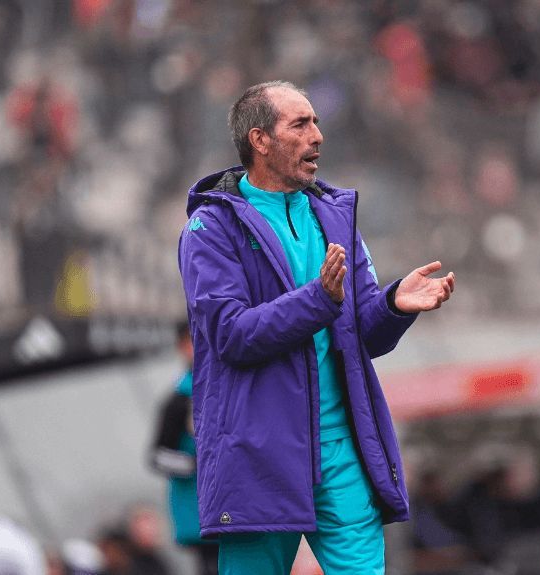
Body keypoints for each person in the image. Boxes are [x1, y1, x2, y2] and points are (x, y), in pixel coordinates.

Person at [178, 80, 455, 575]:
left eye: (317, 122)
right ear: (260, 140)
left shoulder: (335, 216)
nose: (318, 135)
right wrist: (317, 300)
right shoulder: (211, 229)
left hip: (341, 448)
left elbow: (362, 336)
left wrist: (394, 304)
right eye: (300, 124)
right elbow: (231, 335)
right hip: (259, 451)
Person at [149, 324, 218, 575]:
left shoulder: (223, 385)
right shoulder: (178, 400)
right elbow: (156, 457)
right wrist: (197, 464)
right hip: (199, 509)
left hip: (230, 503)